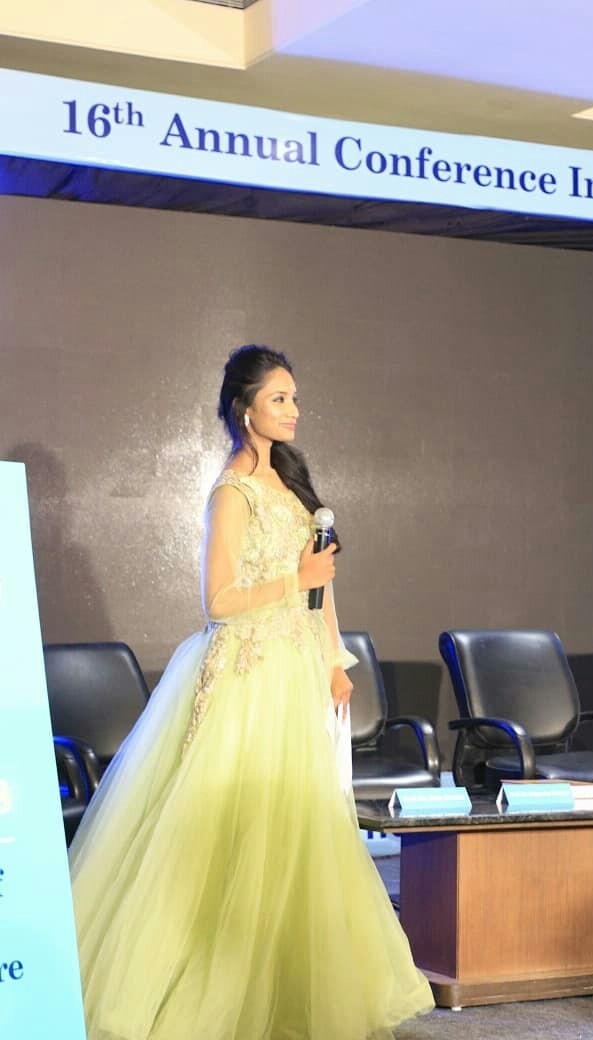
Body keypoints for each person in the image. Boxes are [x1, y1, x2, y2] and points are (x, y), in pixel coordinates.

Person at [68, 345, 433, 1040]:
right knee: (236, 834)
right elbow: (218, 602)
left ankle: (287, 987)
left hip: (295, 672)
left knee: (297, 831)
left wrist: (334, 659)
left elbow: (321, 585)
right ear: (245, 409)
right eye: (279, 399)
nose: (293, 411)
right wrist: (296, 581)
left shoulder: (289, 484)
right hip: (246, 678)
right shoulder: (231, 492)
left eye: (295, 398)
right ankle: (209, 992)